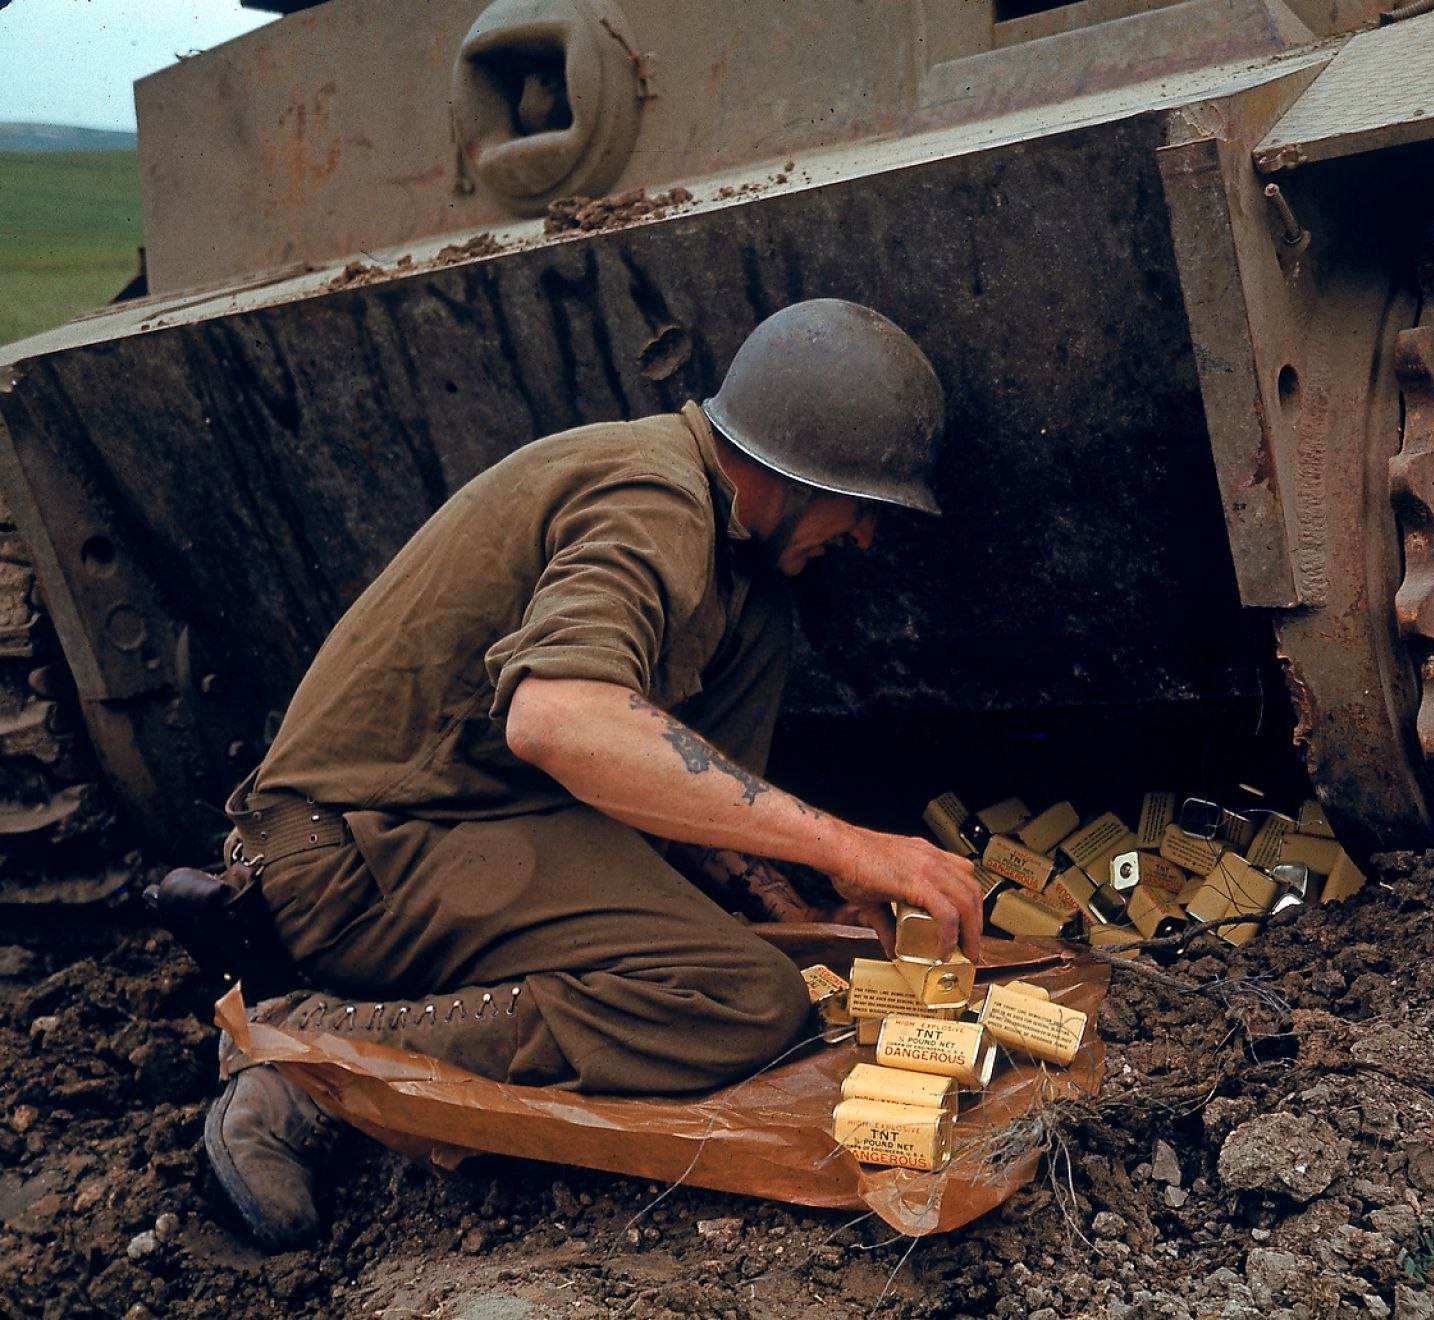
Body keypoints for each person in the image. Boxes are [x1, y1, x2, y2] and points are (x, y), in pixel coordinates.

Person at [196, 299, 984, 1250]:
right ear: (796, 474)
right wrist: (849, 843)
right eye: (863, 506)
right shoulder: (655, 497)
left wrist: (792, 906)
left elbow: (688, 793)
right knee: (737, 1001)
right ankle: (307, 1057)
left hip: (470, 827)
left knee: (794, 969)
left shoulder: (748, 581)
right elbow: (560, 719)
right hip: (354, 854)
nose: (865, 538)